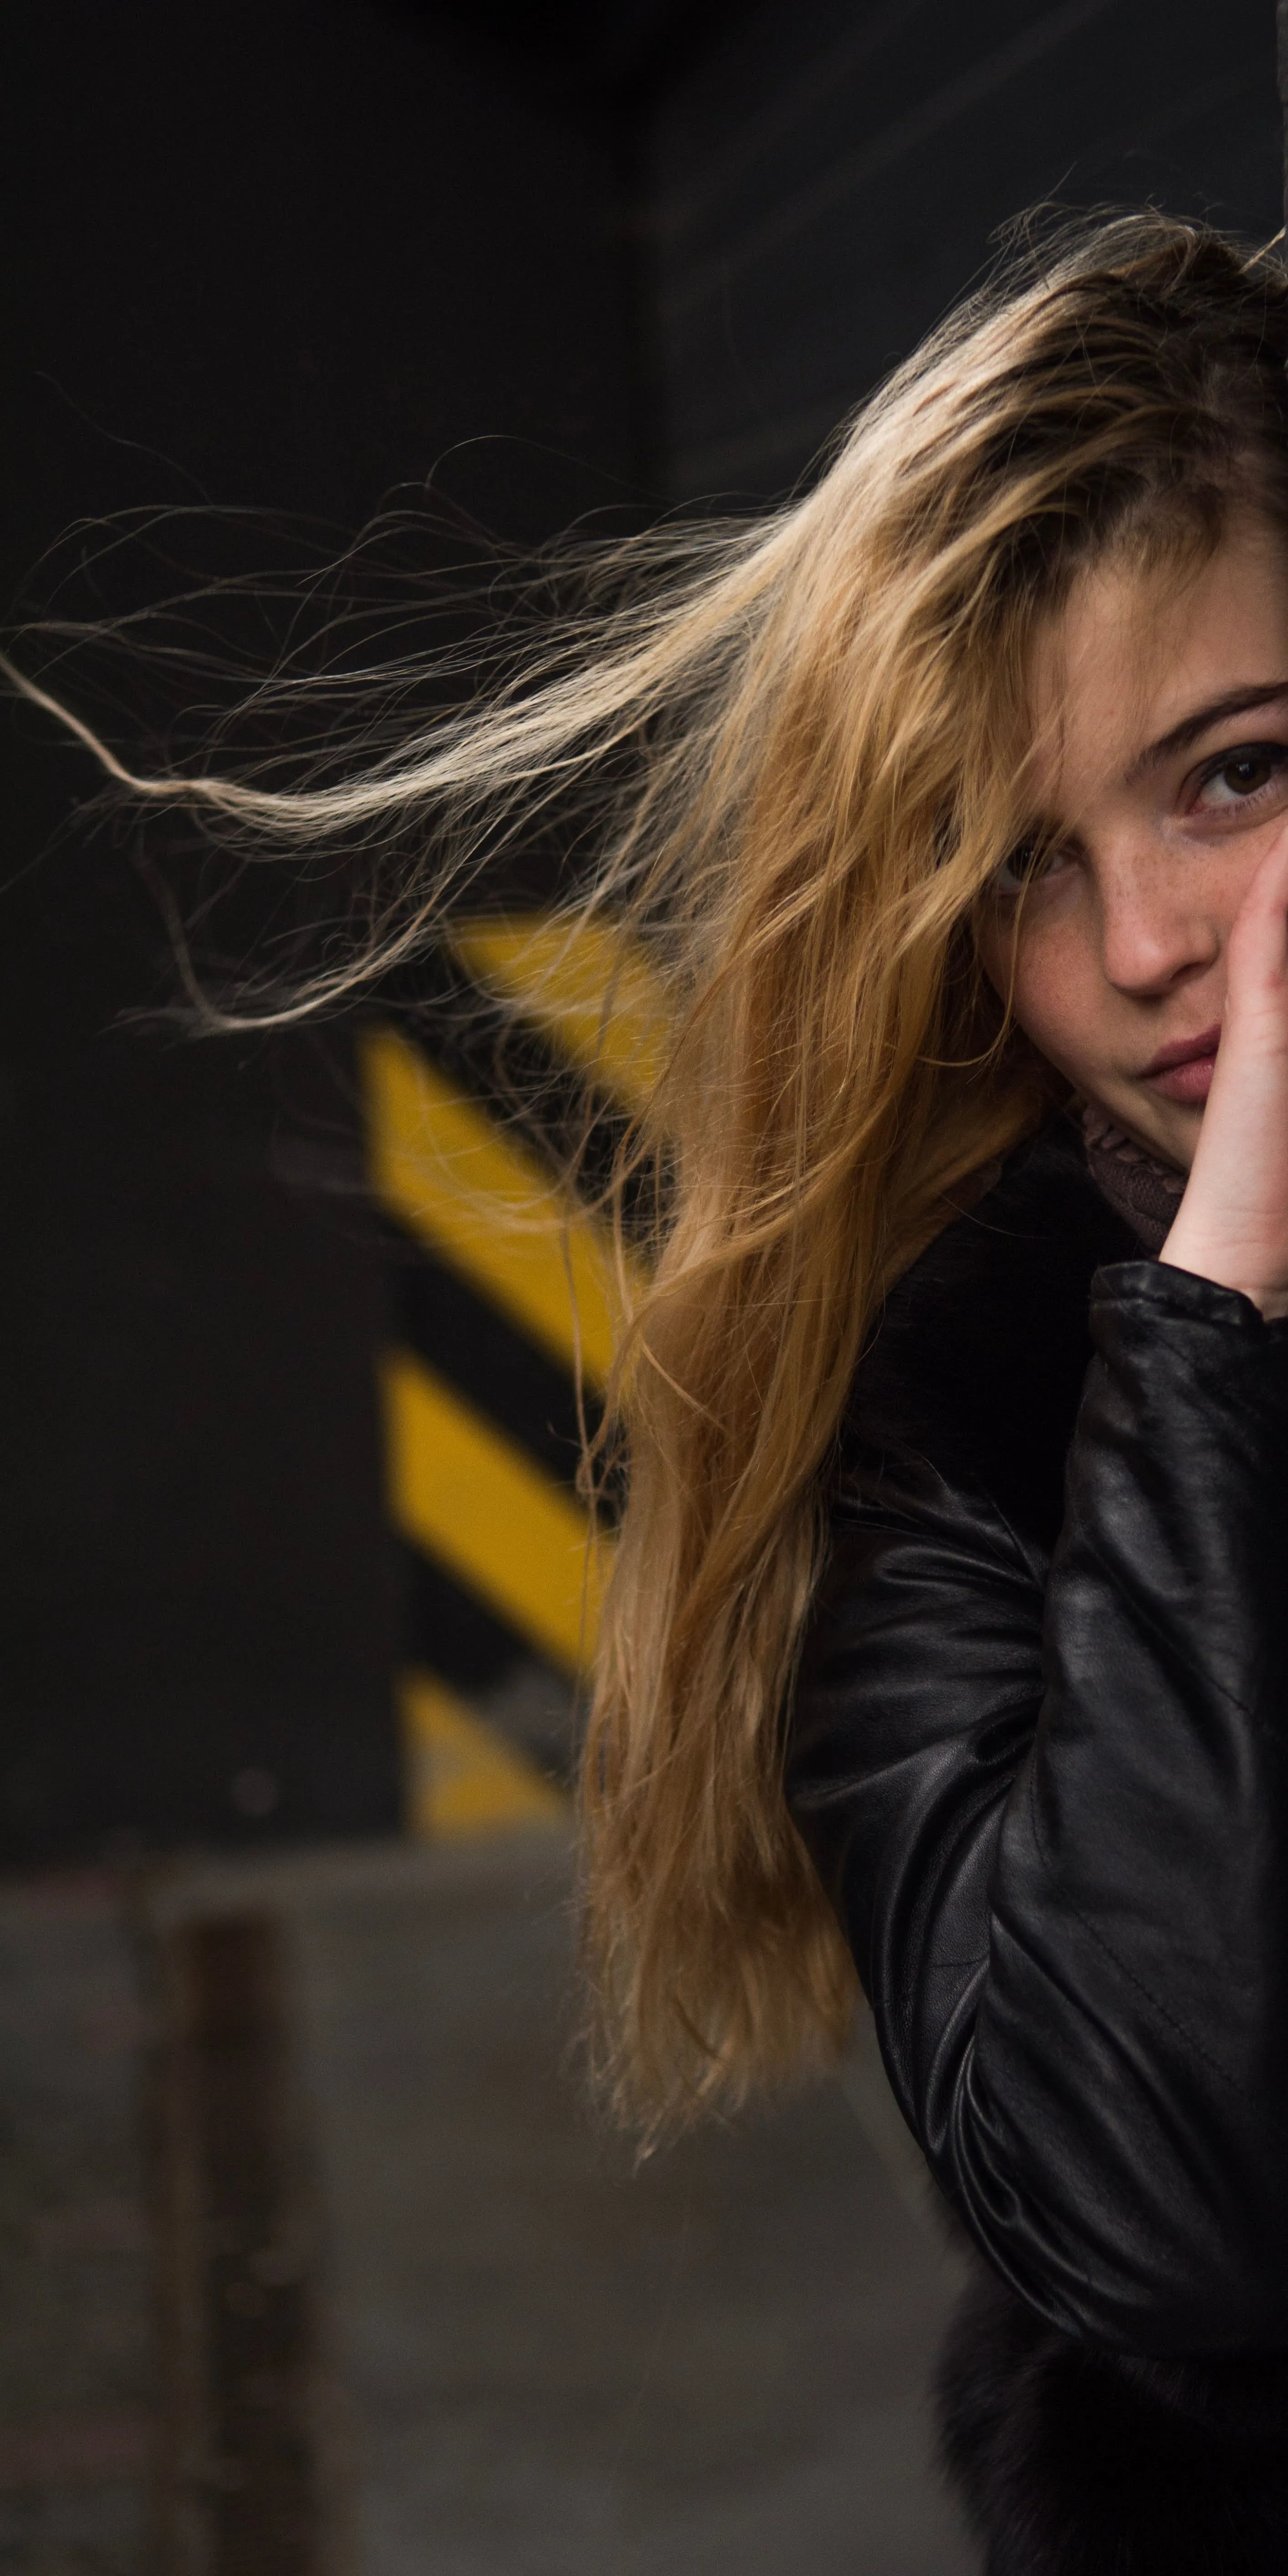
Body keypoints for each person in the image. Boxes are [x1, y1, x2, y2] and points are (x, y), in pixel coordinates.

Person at [13, 209, 1288, 2571]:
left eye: (1229, 776)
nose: (1137, 950)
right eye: (1023, 866)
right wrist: (1214, 1309)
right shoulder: (944, 1427)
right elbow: (1156, 2209)